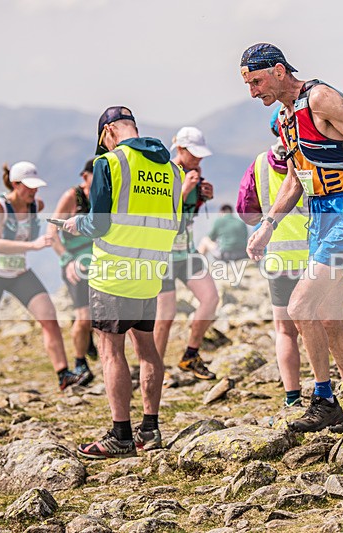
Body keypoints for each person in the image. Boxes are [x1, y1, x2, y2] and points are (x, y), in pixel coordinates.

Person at [240, 43, 343, 433]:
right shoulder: (284, 118)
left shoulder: (320, 98)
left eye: (256, 81)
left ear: (279, 71)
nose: (252, 91)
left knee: (299, 306)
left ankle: (324, 399)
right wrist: (268, 225)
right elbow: (296, 178)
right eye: (247, 84)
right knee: (328, 317)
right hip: (320, 215)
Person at [63, 106, 183, 459]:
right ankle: (151, 428)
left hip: (114, 270)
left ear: (109, 132)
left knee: (111, 350)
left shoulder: (110, 163)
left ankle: (120, 436)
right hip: (151, 272)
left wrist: (76, 225)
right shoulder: (172, 169)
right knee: (147, 350)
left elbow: (98, 223)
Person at [0, 161, 93, 397]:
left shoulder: (35, 205)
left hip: (20, 273)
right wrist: (33, 244)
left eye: (36, 187)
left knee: (49, 319)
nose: (34, 192)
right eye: (29, 187)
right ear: (15, 184)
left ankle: (63, 376)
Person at [237, 107, 310, 407]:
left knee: (285, 330)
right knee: (324, 325)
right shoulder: (308, 158)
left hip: (278, 256)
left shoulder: (258, 165)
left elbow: (245, 211)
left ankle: (292, 397)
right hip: (312, 254)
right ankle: (336, 389)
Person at [156, 127, 219, 382]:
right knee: (166, 315)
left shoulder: (195, 173)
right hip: (164, 255)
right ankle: (154, 367)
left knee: (211, 299)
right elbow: (161, 214)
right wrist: (183, 191)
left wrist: (203, 197)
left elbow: (188, 215)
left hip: (187, 251)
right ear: (179, 149)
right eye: (194, 154)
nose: (199, 160)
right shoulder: (164, 173)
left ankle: (191, 355)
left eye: (201, 155)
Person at [48, 158, 98, 378]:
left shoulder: (103, 197)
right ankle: (80, 363)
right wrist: (67, 260)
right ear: (85, 176)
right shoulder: (72, 197)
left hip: (99, 262)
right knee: (84, 317)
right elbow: (52, 232)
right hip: (76, 264)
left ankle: (89, 342)